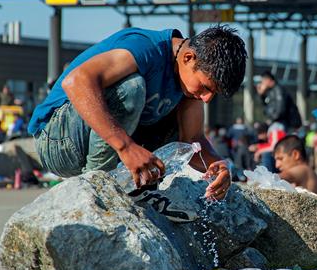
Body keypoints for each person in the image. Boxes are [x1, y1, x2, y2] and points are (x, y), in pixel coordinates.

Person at [28, 25, 246, 209]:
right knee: (131, 89)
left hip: (102, 143)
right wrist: (126, 147)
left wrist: (219, 165)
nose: (207, 98)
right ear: (189, 57)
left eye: (213, 93)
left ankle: (138, 190)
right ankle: (98, 188)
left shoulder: (188, 86)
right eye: (206, 87)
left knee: (178, 131)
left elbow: (192, 140)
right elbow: (76, 82)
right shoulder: (146, 48)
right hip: (58, 140)